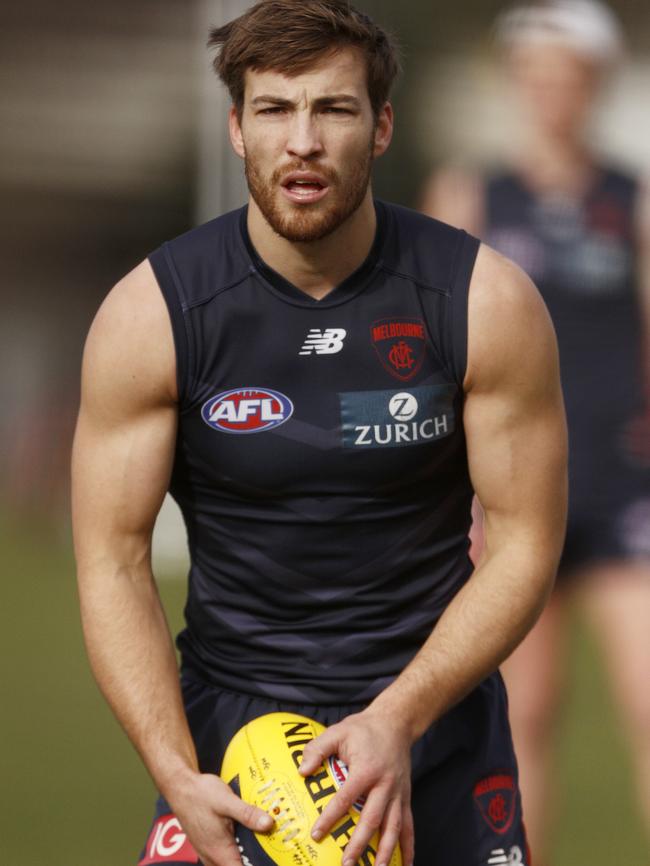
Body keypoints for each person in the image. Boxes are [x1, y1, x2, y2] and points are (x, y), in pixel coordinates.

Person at [71, 2, 567, 865]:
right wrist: (173, 768)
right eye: (274, 109)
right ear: (236, 128)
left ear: (379, 127)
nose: (302, 140)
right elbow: (111, 559)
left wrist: (399, 715)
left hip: (437, 730)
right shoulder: (152, 315)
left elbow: (526, 541)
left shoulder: (482, 302)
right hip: (232, 745)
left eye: (332, 109)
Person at [421, 1, 650, 861]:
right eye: (535, 73)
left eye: (568, 74)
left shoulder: (631, 200)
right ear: (517, 82)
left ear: (595, 82)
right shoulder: (469, 191)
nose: (551, 91)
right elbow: (441, 352)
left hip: (627, 485)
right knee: (525, 718)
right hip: (514, 491)